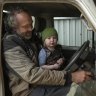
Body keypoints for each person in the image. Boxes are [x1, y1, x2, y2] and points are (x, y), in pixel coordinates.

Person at [3, 7, 94, 96]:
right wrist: (71, 77)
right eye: (26, 26)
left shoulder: (31, 38)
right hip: (28, 91)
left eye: (31, 24)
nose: (31, 29)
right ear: (14, 28)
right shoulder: (10, 45)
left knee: (87, 84)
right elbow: (32, 74)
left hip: (42, 82)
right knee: (81, 91)